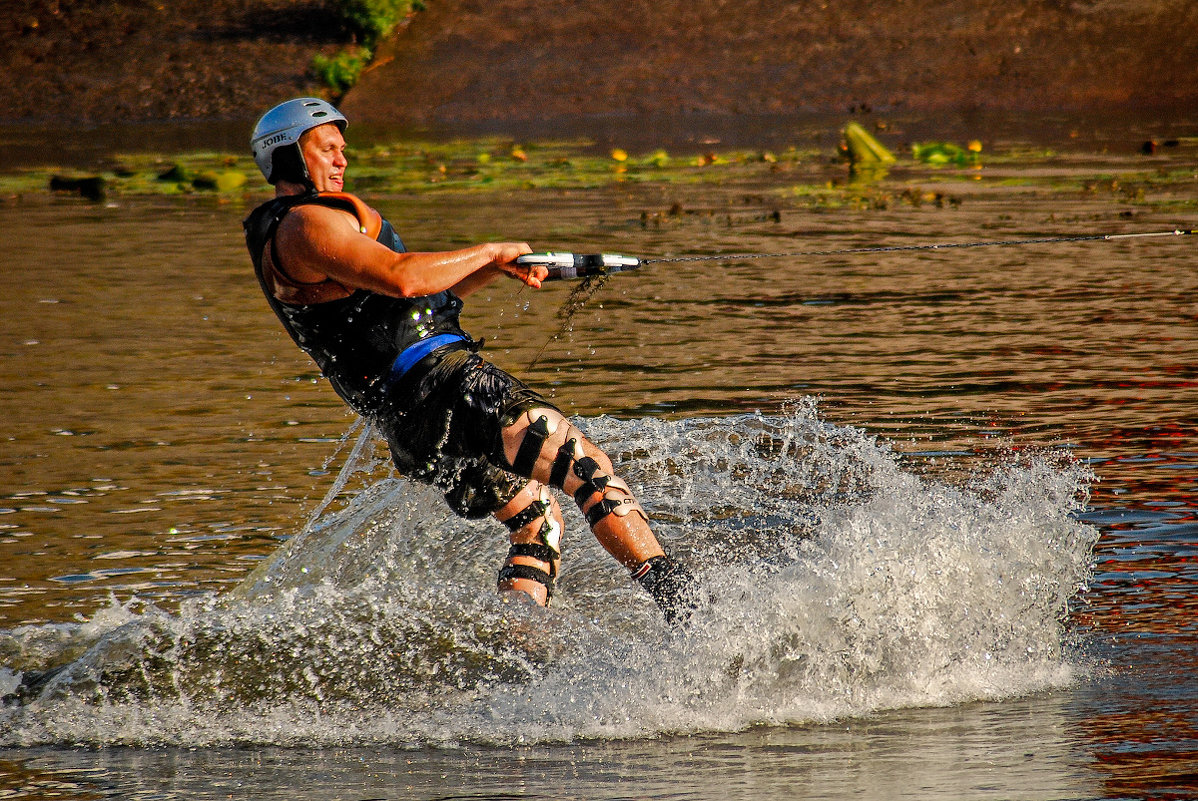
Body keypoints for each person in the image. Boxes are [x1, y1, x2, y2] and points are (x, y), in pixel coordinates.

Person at [244, 98, 699, 623]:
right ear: (286, 160)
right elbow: (403, 277)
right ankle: (688, 609)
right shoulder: (304, 225)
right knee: (586, 470)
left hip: (408, 424)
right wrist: (489, 251)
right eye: (327, 149)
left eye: (343, 150)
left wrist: (497, 270)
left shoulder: (292, 233)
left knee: (537, 521)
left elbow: (409, 302)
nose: (342, 161)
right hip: (446, 385)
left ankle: (514, 645)